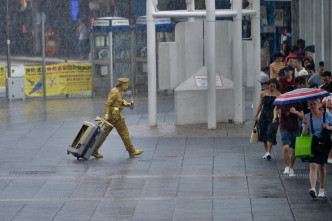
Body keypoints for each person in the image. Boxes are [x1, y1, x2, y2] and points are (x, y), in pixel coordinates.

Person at [92, 78, 144, 158]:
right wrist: (106, 114)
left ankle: (94, 150)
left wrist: (129, 104)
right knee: (124, 133)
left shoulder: (119, 92)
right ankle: (132, 151)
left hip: (113, 116)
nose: (127, 87)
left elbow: (121, 101)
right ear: (122, 84)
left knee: (104, 134)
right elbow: (107, 104)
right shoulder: (114, 92)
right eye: (126, 85)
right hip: (116, 116)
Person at [302, 99, 332, 198]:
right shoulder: (307, 116)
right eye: (310, 105)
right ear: (308, 106)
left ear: (319, 104)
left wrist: (327, 127)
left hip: (324, 144)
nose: (313, 106)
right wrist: (305, 125)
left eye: (314, 104)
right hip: (313, 143)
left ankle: (322, 189)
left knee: (322, 166)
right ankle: (313, 188)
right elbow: (305, 134)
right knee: (313, 165)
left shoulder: (326, 115)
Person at [273, 86, 304, 176]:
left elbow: (302, 115)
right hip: (284, 127)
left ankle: (291, 168)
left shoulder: (297, 101)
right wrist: (275, 117)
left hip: (295, 128)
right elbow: (275, 108)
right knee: (286, 147)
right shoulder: (282, 100)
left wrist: (296, 112)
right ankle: (286, 166)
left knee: (294, 150)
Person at [255, 79, 280, 160]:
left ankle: (268, 152)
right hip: (264, 115)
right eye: (271, 86)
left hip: (273, 116)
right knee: (264, 134)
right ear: (268, 85)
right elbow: (260, 105)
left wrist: (280, 117)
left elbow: (279, 108)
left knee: (270, 133)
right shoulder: (263, 93)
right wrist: (256, 115)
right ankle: (267, 152)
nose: (272, 88)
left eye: (274, 86)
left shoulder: (278, 94)